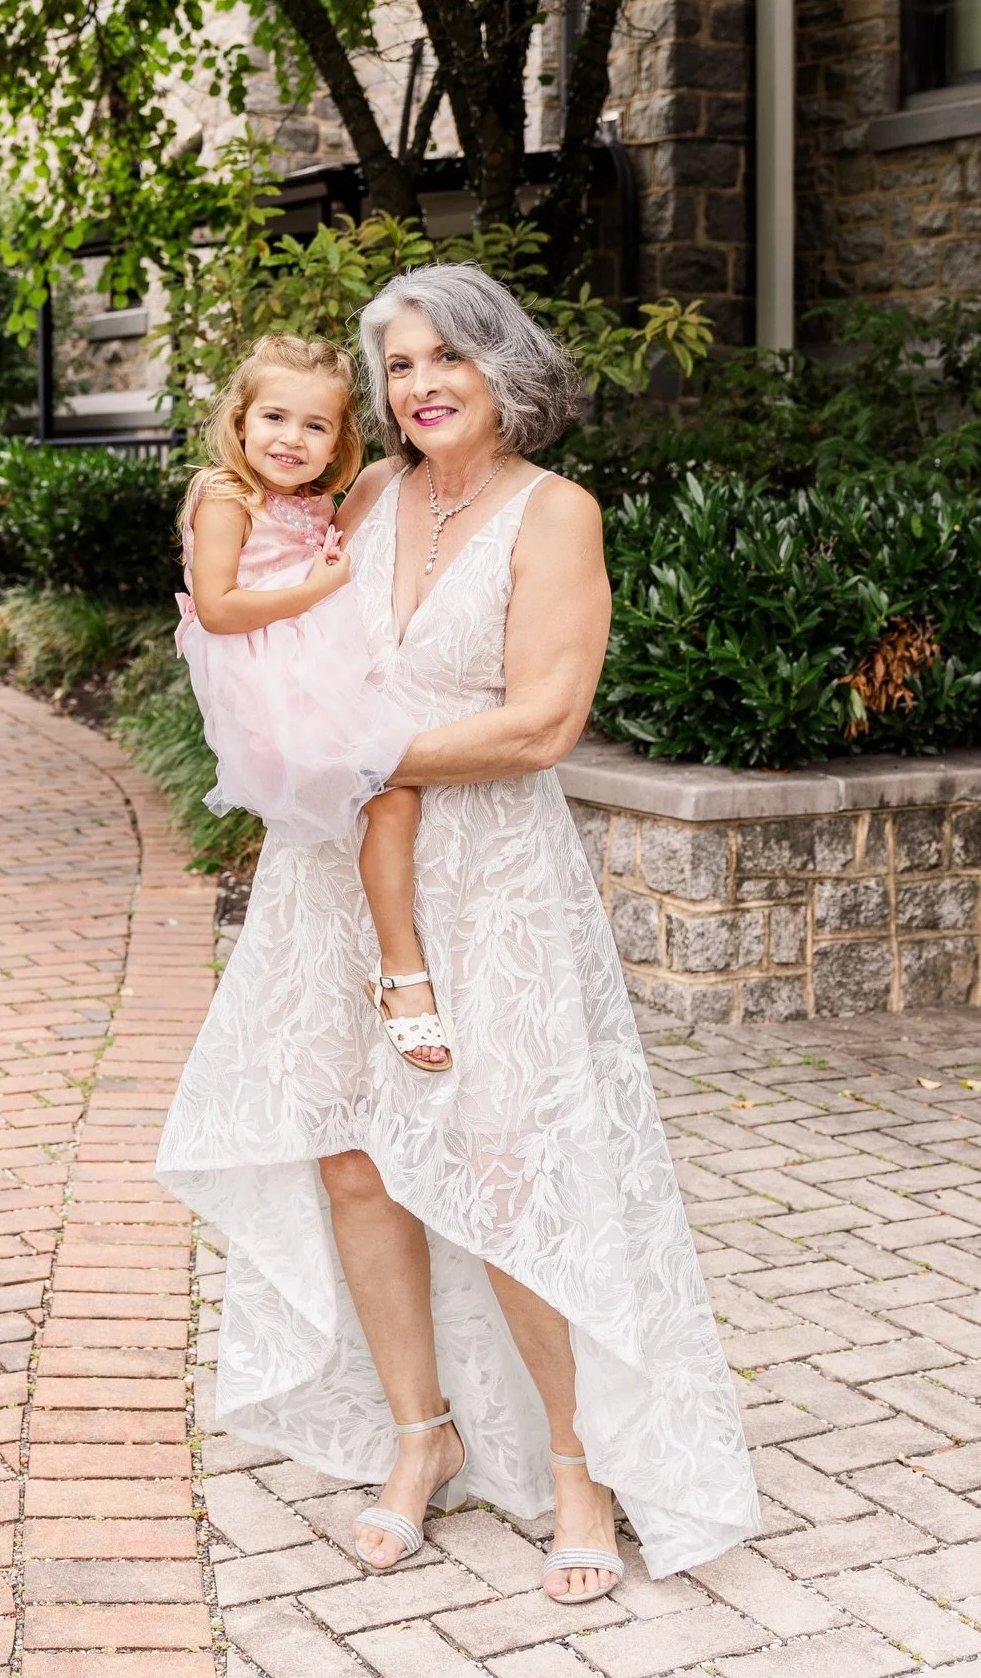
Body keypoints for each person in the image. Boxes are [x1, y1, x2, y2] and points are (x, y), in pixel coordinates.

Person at [157, 266, 759, 1600]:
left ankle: (575, 1463)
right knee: (356, 1163)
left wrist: (356, 759)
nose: (421, 386)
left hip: (487, 882)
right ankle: (419, 1438)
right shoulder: (361, 498)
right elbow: (255, 622)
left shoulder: (557, 516)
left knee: (506, 1171)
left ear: (504, 372)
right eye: (402, 366)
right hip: (336, 875)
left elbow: (542, 724)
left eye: (449, 361)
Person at [177, 330, 452, 1070]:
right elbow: (219, 607)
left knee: (389, 797)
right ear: (240, 422)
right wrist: (322, 587)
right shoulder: (225, 496)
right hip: (270, 682)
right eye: (275, 418)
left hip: (310, 660)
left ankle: (381, 960)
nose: (291, 439)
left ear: (337, 445)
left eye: (314, 425)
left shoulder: (311, 500)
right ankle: (403, 972)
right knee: (390, 791)